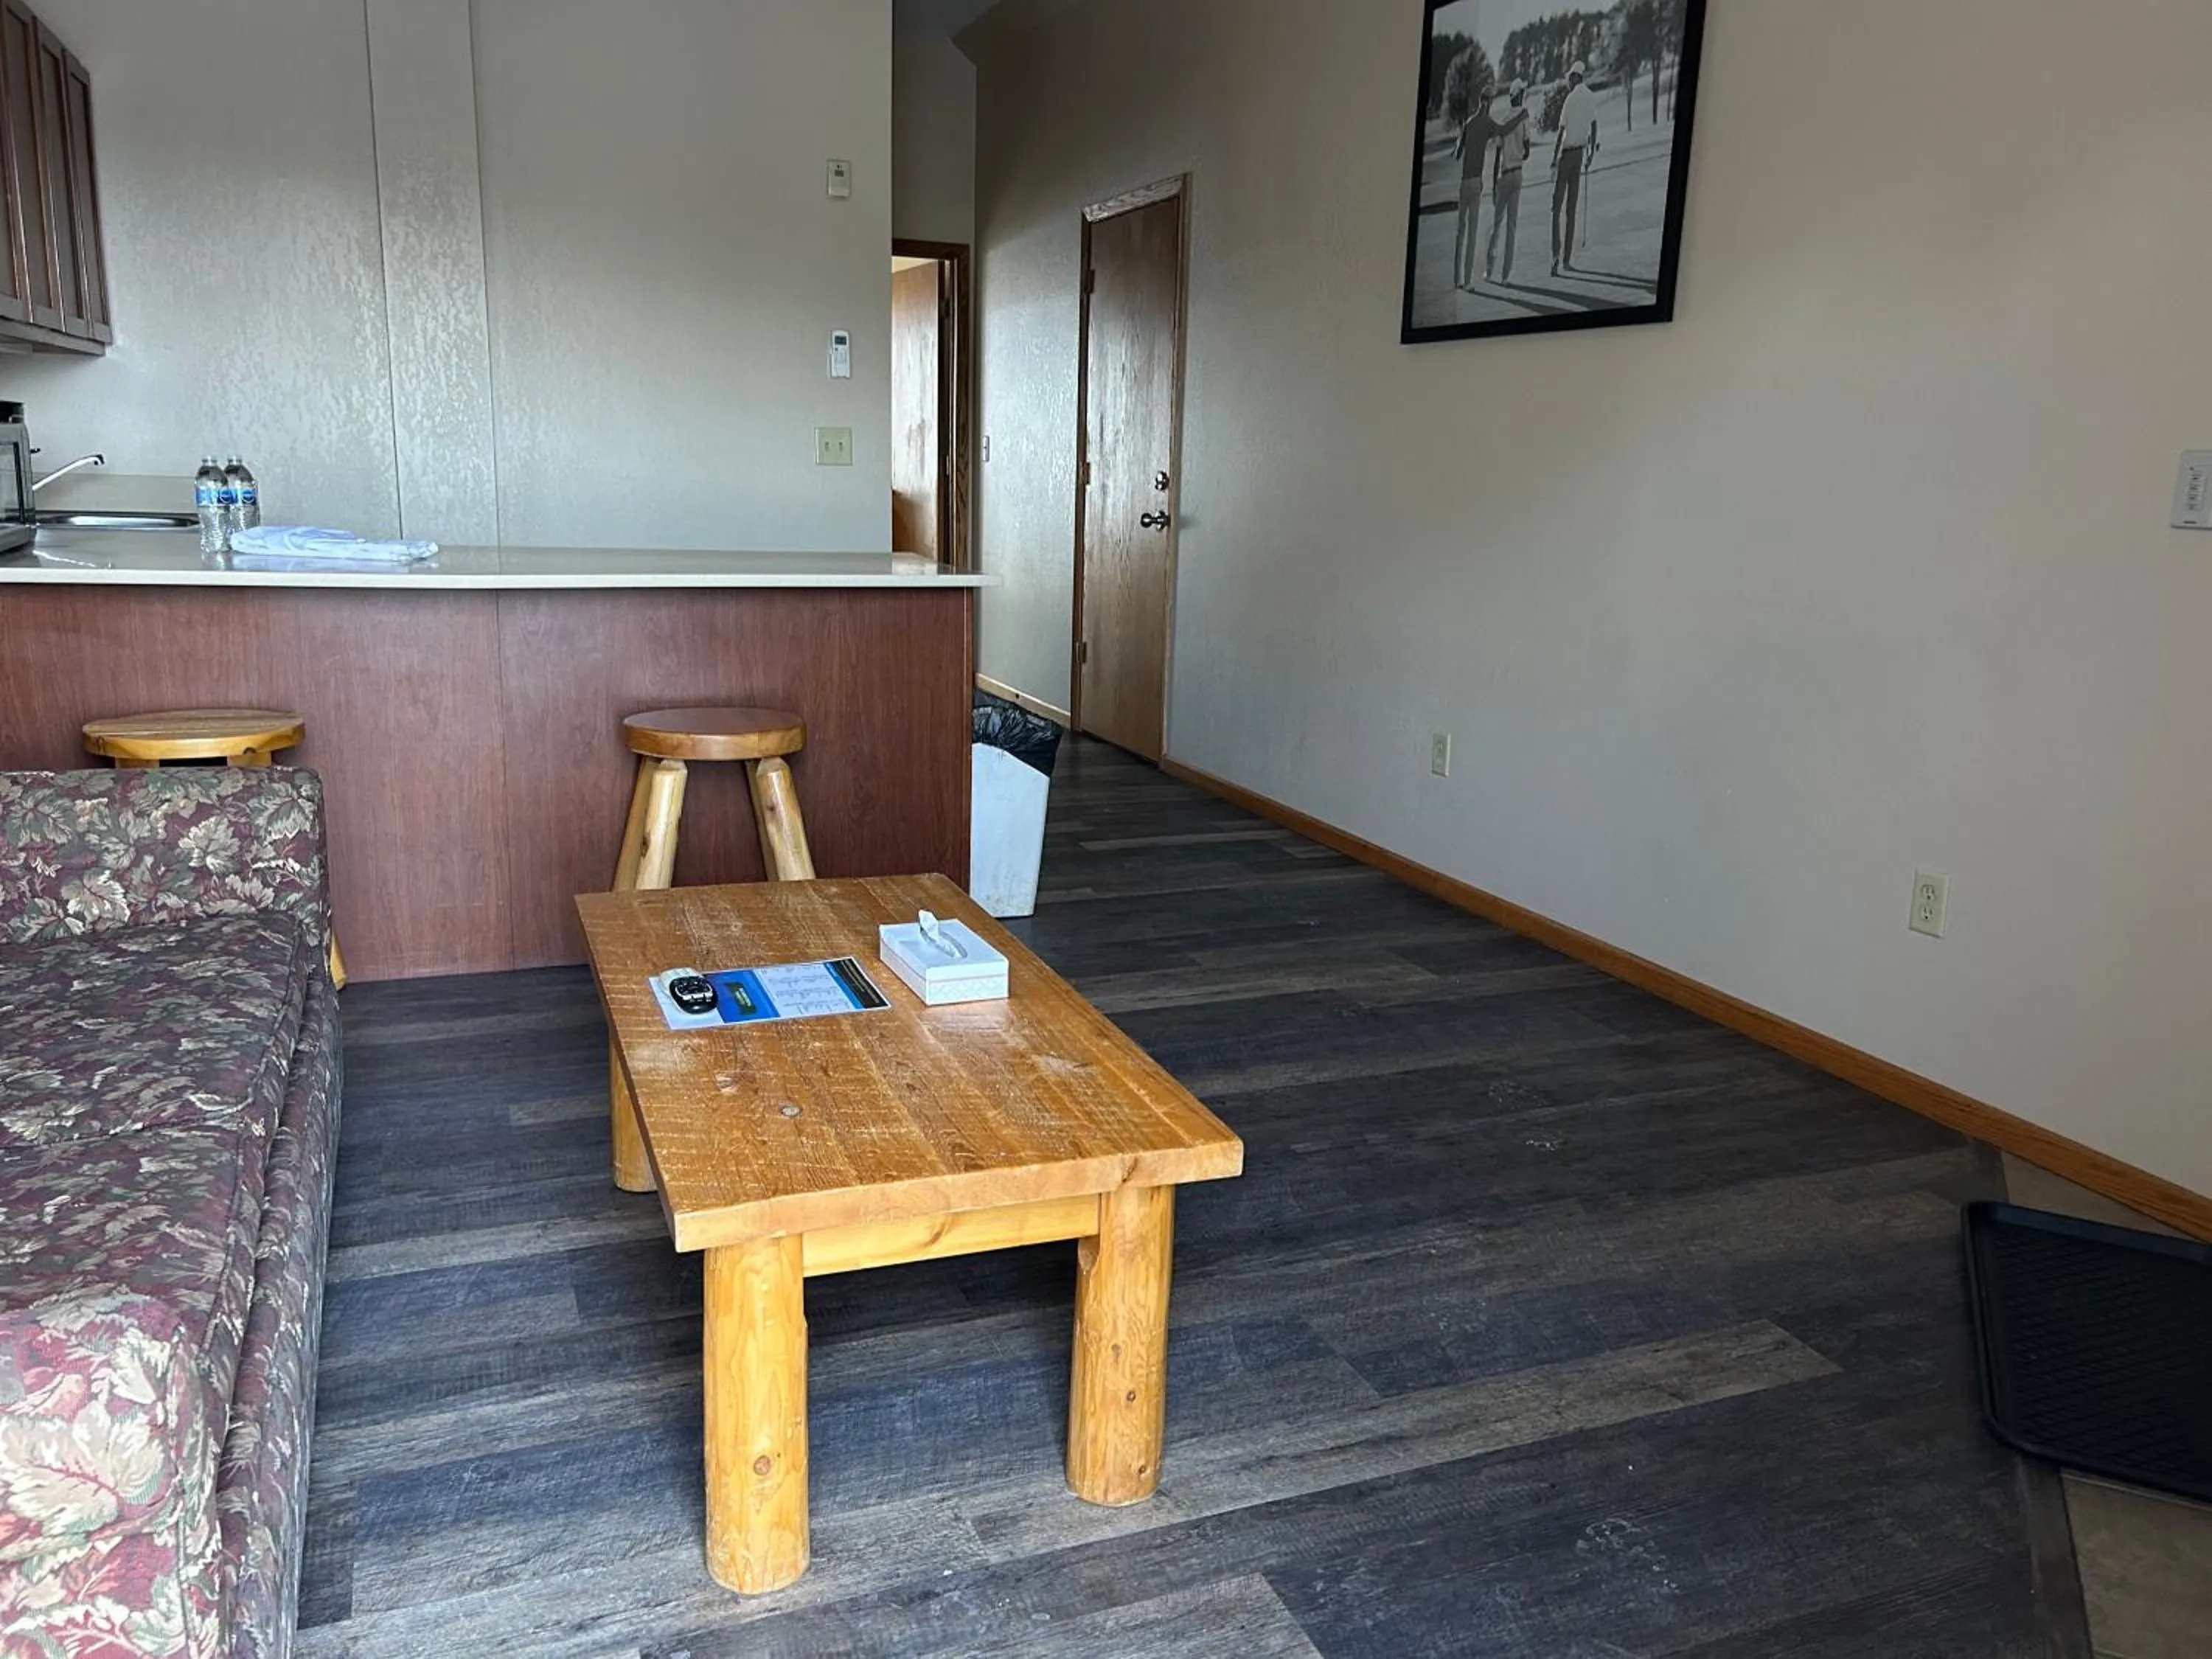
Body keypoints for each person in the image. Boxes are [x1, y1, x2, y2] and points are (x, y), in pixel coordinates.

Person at [1551, 60, 1601, 276]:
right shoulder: (1590, 97)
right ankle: (1566, 260)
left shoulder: (1570, 99)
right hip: (1580, 155)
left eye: (1570, 77)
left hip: (1566, 156)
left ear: (1574, 77)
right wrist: (1591, 154)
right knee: (1571, 210)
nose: (1568, 82)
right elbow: (1594, 126)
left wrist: (1554, 159)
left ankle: (1555, 257)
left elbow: (1561, 132)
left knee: (1556, 208)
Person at [1450, 83, 1500, 290]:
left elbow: (1457, 155)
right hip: (1476, 183)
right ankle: (1468, 281)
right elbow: (1497, 136)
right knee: (1471, 234)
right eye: (1491, 101)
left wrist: (1458, 142)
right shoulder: (1486, 123)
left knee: (1460, 233)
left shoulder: (1468, 124)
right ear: (1487, 102)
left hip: (1464, 184)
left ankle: (1457, 280)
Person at [1486, 80, 1534, 283]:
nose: (1523, 95)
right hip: (1518, 175)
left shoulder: (1504, 120)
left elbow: (1497, 156)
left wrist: (1493, 185)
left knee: (1497, 225)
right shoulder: (1524, 119)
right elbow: (1527, 151)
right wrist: (1519, 154)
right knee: (1511, 227)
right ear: (1516, 96)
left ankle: (1489, 271)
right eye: (1522, 93)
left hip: (1504, 176)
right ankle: (1505, 276)